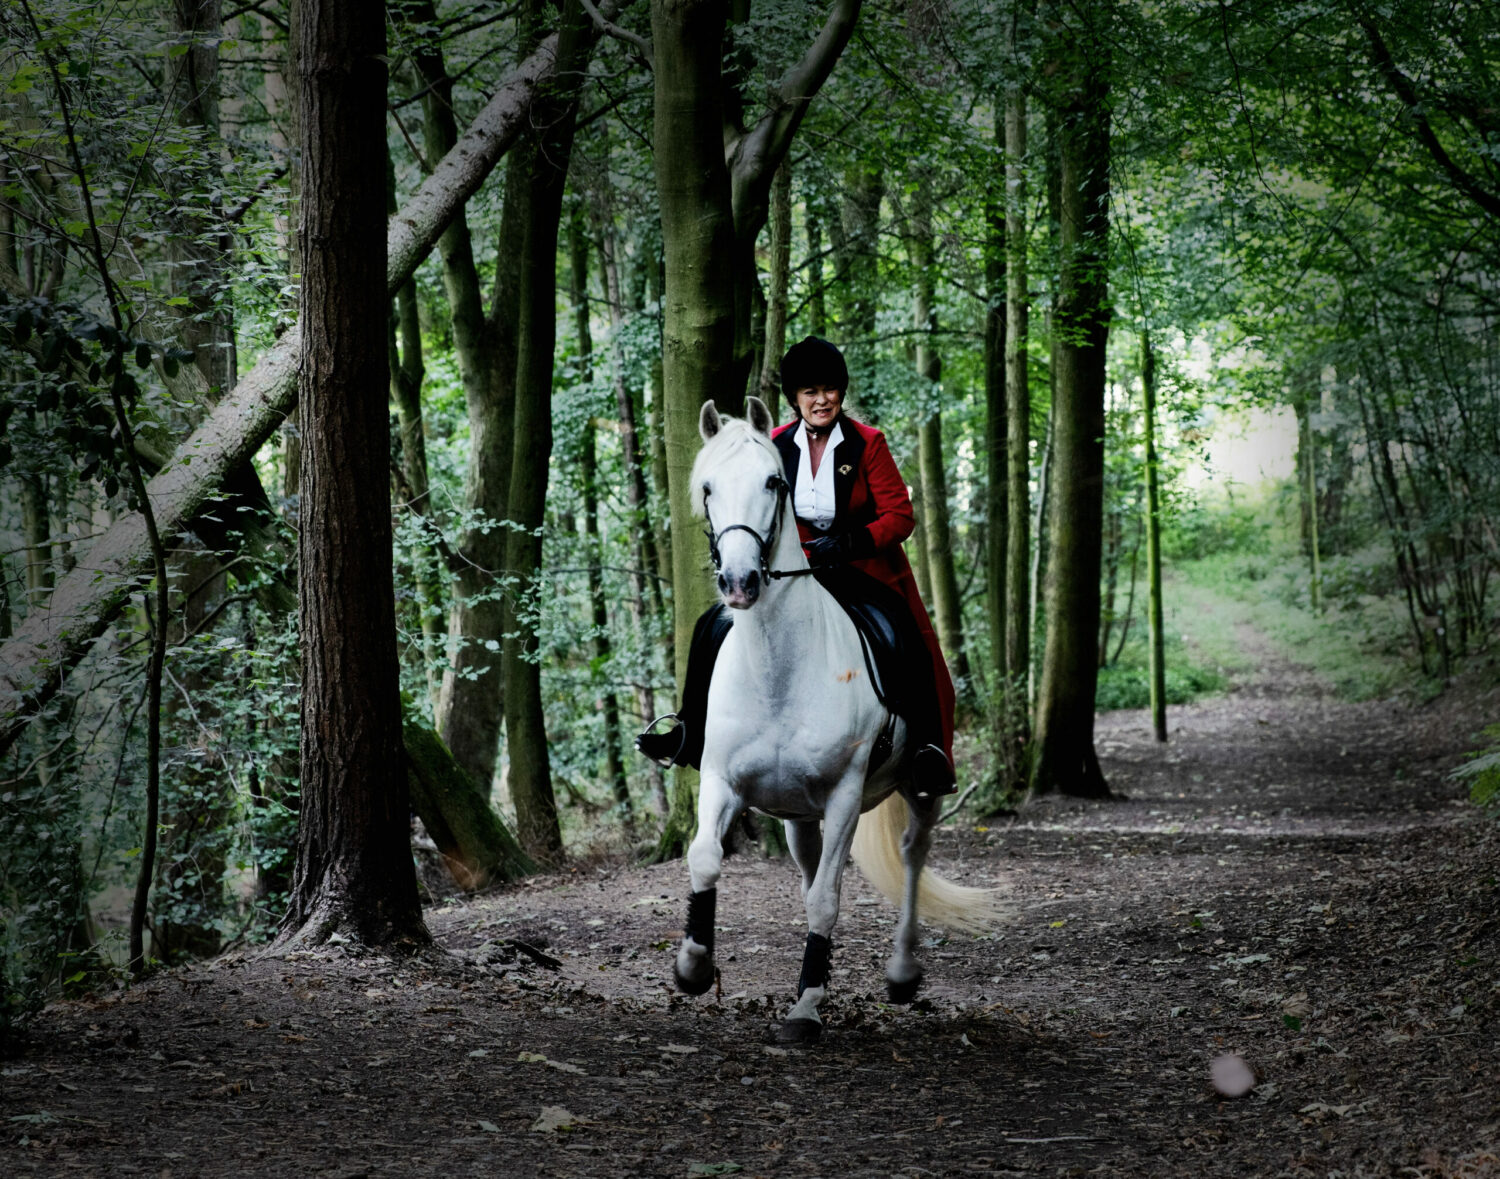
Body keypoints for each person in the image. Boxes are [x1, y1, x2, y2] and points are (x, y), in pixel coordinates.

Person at [636, 336, 957, 797]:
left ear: (841, 393)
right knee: (711, 627)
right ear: (794, 399)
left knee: (906, 636)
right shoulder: (775, 445)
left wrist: (848, 543)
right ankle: (689, 733)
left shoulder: (868, 443)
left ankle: (926, 750)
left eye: (829, 389)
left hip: (862, 572)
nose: (821, 399)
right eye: (810, 391)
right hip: (792, 574)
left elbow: (899, 517)